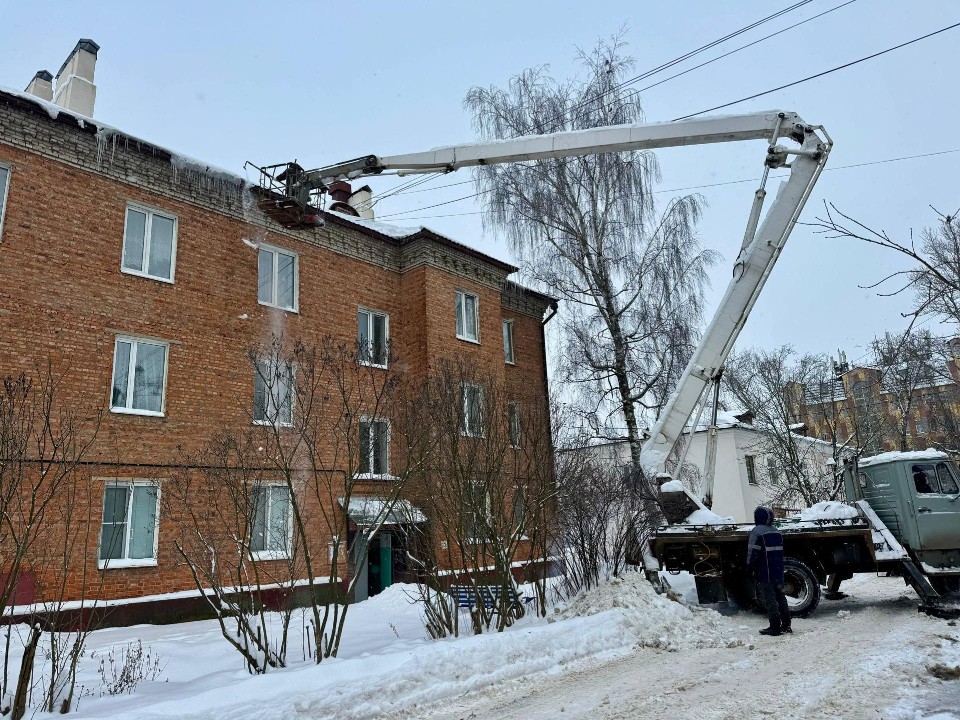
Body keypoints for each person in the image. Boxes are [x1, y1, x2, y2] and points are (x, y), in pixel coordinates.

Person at [746, 505, 791, 636]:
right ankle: (786, 624)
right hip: (778, 570)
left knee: (770, 599)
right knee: (781, 597)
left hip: (765, 571)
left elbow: (752, 552)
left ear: (758, 518)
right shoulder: (776, 531)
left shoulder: (757, 532)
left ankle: (774, 627)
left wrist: (748, 567)